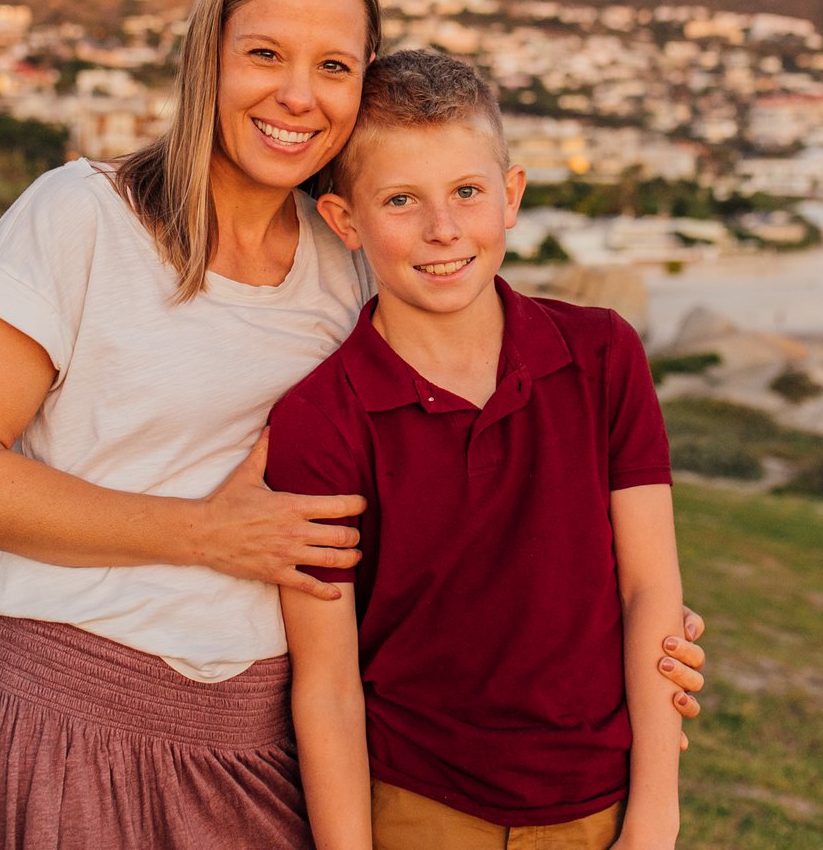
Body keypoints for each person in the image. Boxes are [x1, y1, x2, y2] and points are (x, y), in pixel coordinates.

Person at [0, 0, 706, 849]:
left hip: (263, 742)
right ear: (208, 57)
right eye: (265, 54)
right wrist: (206, 533)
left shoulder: (352, 256)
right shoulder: (83, 216)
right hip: (67, 715)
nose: (297, 94)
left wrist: (615, 630)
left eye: (333, 66)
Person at [266, 49, 684, 850]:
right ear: (345, 221)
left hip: (602, 804)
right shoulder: (321, 419)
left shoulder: (603, 354)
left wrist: (653, 820)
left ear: (511, 194)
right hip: (419, 809)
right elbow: (327, 684)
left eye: (467, 191)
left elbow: (651, 592)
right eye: (401, 200)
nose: (444, 229)